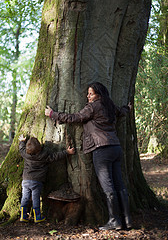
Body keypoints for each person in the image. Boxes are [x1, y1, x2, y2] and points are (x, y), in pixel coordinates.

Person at [45, 82, 132, 230]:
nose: (88, 96)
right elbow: (121, 111)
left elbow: (76, 117)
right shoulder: (109, 105)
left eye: (90, 93)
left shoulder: (93, 107)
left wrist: (53, 114)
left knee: (108, 185)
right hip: (116, 148)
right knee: (119, 184)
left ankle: (114, 221)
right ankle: (127, 219)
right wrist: (128, 108)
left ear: (99, 94)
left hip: (102, 150)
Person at [19, 134, 75, 223]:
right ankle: (37, 217)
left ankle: (23, 215)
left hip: (26, 180)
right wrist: (66, 152)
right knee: (35, 199)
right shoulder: (44, 155)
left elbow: (21, 149)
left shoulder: (25, 154)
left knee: (25, 198)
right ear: (39, 149)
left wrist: (22, 141)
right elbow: (55, 156)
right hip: (37, 182)